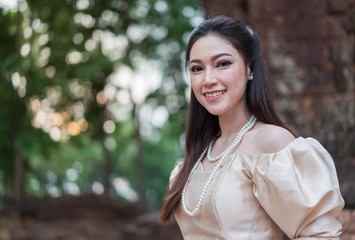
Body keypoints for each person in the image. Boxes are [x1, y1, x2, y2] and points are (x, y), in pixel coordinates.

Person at [159, 15, 344, 239]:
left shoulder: (272, 143)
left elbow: (321, 234)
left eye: (223, 64)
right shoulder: (195, 157)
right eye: (197, 68)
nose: (208, 79)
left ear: (250, 69)